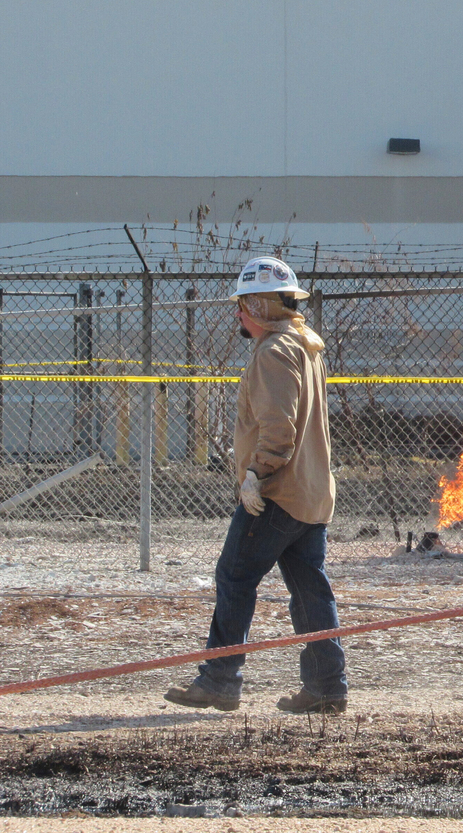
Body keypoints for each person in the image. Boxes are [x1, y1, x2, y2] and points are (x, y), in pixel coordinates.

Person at [164, 256, 347, 715]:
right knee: (309, 590)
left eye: (244, 305)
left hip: (276, 495)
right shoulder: (305, 346)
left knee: (234, 576)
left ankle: (220, 679)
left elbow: (278, 430)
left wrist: (254, 477)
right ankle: (327, 686)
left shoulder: (274, 352)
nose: (239, 315)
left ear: (262, 307)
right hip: (310, 494)